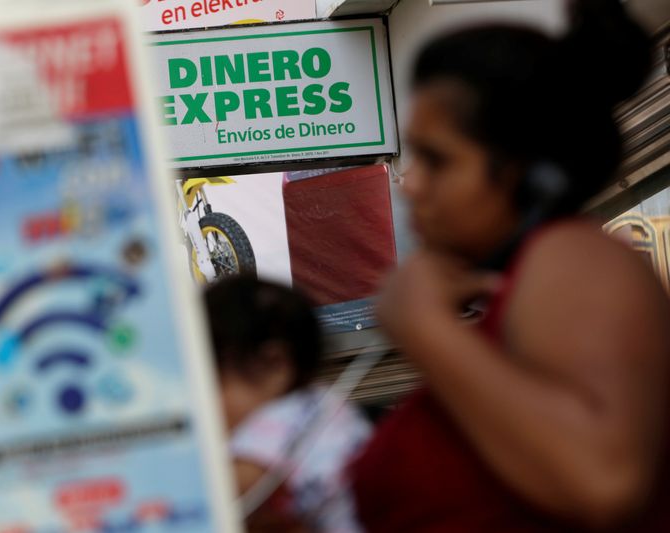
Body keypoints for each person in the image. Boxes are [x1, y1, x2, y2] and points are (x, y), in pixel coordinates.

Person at [351, 0, 670, 531]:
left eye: (438, 160)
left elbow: (601, 478)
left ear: (531, 175)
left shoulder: (570, 257)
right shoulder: (516, 296)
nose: (411, 185)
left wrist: (426, 328)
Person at [204, 275, 371, 533]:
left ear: (275, 365)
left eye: (210, 380)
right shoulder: (325, 406)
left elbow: (219, 491)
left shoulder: (283, 419)